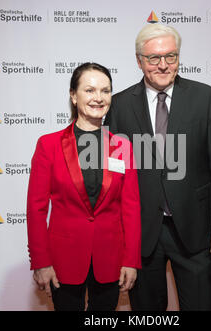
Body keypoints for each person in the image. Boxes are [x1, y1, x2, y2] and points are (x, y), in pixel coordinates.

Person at [104, 24, 211, 311]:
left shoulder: (204, 97)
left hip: (196, 229)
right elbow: (114, 176)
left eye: (171, 56)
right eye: (154, 58)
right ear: (139, 60)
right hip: (142, 233)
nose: (164, 65)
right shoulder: (119, 106)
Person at [27, 62, 141, 311]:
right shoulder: (48, 145)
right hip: (62, 261)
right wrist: (41, 262)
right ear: (73, 95)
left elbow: (131, 208)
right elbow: (35, 209)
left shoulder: (123, 148)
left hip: (110, 261)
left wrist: (131, 260)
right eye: (89, 90)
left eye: (105, 90)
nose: (98, 98)